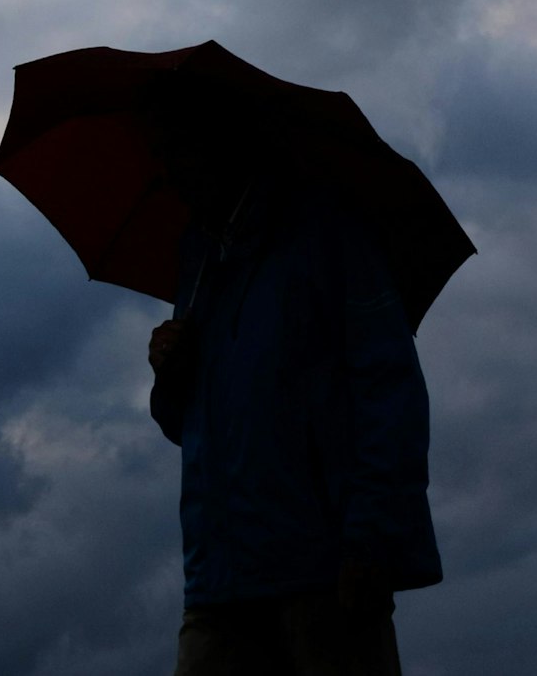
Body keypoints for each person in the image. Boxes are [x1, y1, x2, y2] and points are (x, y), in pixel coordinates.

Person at [144, 80, 441, 676]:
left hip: (324, 571)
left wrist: (370, 542)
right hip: (217, 578)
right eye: (166, 151)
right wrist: (170, 376)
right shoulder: (200, 258)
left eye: (184, 149)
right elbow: (190, 426)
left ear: (228, 145)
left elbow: (389, 390)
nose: (171, 169)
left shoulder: (327, 234)